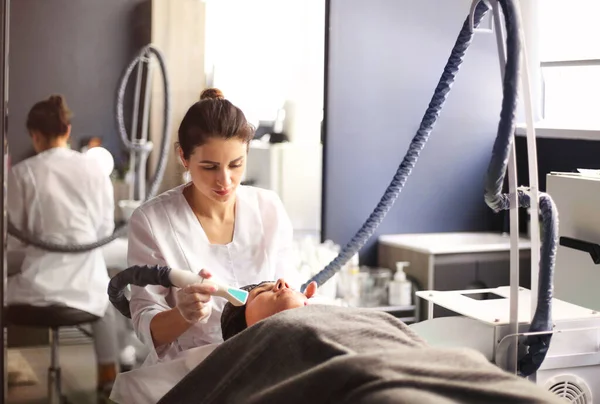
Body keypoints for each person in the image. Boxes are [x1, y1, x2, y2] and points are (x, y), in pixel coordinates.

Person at [155, 277, 565, 404]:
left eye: (280, 280)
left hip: (445, 367)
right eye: (263, 291)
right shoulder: (258, 344)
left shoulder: (356, 317)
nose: (280, 282)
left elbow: (403, 344)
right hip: (377, 387)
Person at [127, 88, 301, 365]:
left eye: (236, 164)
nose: (225, 181)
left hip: (263, 361)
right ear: (184, 157)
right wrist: (182, 314)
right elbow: (145, 324)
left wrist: (302, 300)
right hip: (189, 372)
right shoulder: (152, 221)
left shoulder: (268, 208)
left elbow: (289, 301)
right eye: (209, 167)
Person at [6, 95, 122, 398]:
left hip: (35, 290)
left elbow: (16, 240)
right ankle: (109, 377)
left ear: (34, 135)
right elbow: (104, 231)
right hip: (85, 289)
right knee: (106, 298)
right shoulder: (95, 170)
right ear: (67, 131)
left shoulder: (20, 174)